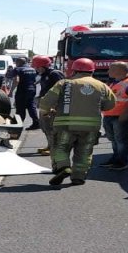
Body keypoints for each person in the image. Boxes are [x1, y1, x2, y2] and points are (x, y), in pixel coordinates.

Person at [38, 58, 116, 186]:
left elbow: (46, 102)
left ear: (73, 70)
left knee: (60, 147)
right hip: (91, 127)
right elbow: (110, 105)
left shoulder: (64, 84)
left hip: (65, 125)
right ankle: (78, 176)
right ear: (92, 71)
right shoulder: (101, 86)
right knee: (84, 151)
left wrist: (46, 112)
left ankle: (63, 168)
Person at [101, 63, 128, 170]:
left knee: (121, 139)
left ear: (120, 70)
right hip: (110, 114)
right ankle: (116, 158)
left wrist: (125, 113)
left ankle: (122, 161)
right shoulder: (115, 82)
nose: (108, 71)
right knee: (113, 138)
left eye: (111, 69)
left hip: (121, 115)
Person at [31, 55, 65, 155]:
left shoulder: (54, 74)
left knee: (51, 127)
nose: (36, 69)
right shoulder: (43, 75)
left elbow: (62, 90)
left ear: (43, 66)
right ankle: (49, 145)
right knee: (45, 127)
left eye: (37, 67)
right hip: (44, 104)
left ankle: (53, 148)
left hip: (52, 106)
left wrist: (55, 106)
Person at [8, 56, 40, 131]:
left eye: (16, 62)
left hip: (22, 90)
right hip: (32, 90)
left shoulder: (18, 69)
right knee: (31, 106)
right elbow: (38, 78)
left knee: (20, 108)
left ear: (18, 62)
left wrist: (11, 91)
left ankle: (18, 124)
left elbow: (15, 80)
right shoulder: (32, 69)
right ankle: (36, 123)